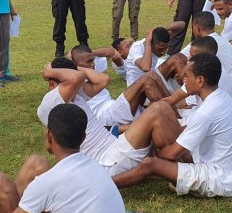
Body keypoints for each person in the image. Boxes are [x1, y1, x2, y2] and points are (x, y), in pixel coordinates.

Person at [113, 53, 232, 198]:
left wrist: (157, 152)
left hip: (218, 181)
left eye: (187, 76)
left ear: (200, 80)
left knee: (149, 164)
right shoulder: (220, 97)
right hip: (227, 175)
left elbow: (172, 153)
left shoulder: (207, 112)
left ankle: (106, 183)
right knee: (165, 114)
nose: (183, 80)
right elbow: (185, 129)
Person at [38, 58, 182, 176]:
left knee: (159, 109)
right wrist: (49, 71)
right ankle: (183, 169)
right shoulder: (51, 102)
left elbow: (103, 80)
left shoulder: (75, 96)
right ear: (52, 84)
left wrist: (75, 67)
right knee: (157, 111)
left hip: (115, 149)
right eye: (66, 83)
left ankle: (181, 163)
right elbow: (77, 77)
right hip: (106, 161)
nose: (75, 86)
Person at [70, 45, 170, 127]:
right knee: (147, 79)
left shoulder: (90, 70)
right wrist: (74, 66)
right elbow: (105, 80)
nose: (93, 64)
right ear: (75, 63)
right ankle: (172, 113)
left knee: (150, 79)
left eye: (93, 60)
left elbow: (111, 52)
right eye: (89, 61)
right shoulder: (73, 80)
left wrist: (90, 53)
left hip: (113, 106)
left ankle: (171, 110)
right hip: (104, 116)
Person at [186, 11, 232, 105]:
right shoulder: (219, 39)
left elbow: (179, 58)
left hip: (230, 95)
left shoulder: (202, 45)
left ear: (197, 27)